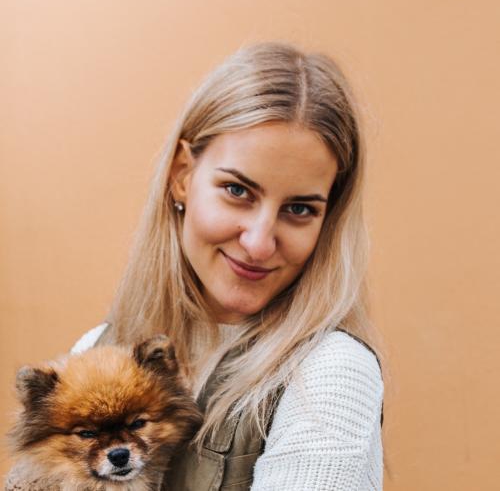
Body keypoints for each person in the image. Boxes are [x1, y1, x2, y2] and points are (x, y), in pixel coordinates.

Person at [72, 41, 385, 490]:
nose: (259, 243)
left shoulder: (329, 375)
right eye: (238, 191)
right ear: (182, 176)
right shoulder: (95, 350)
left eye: (299, 209)